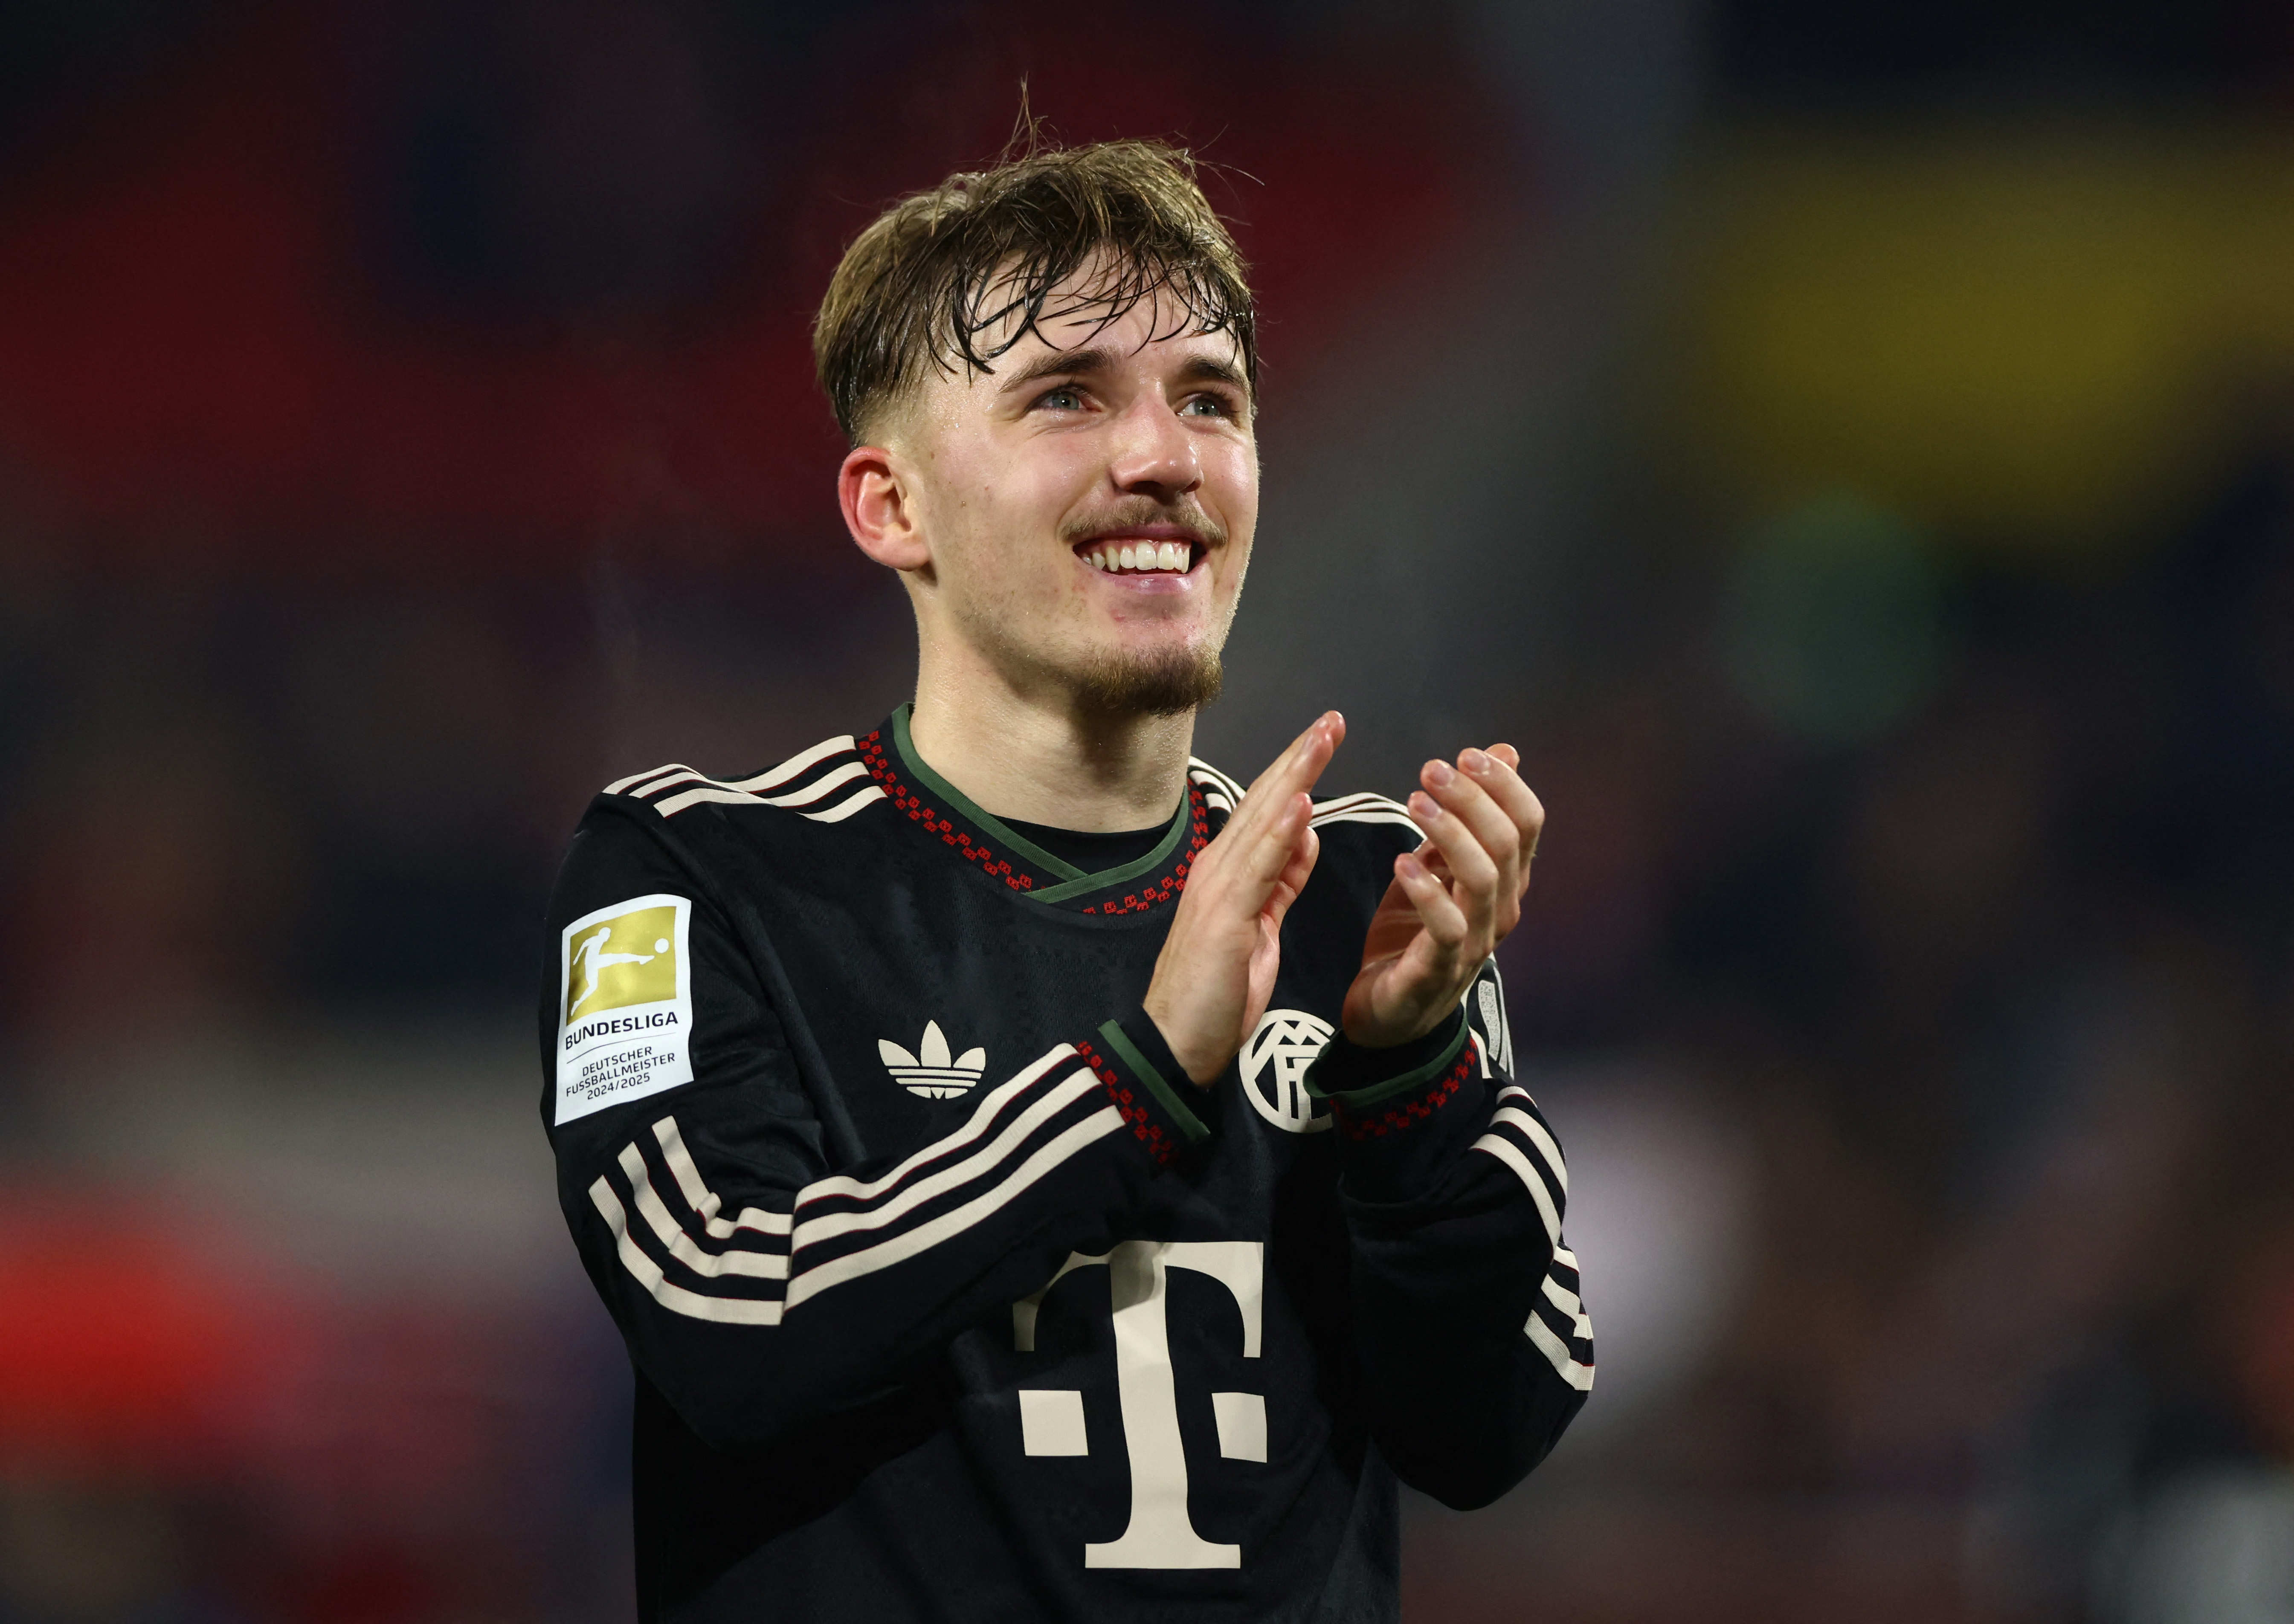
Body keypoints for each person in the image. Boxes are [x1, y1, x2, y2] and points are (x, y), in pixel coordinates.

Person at [539, 137, 1592, 1623]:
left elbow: (1489, 1432)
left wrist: (1409, 1083)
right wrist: (1141, 1078)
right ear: (890, 506)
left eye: (1209, 400)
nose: (1162, 456)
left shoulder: (1363, 901)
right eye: (1066, 396)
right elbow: (729, 1316)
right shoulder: (697, 872)